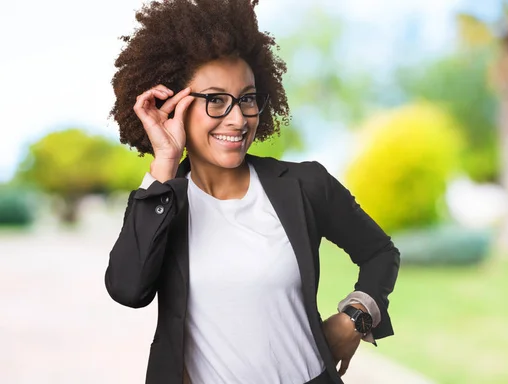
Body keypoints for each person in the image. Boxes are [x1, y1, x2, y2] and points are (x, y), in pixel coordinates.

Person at [104, 1, 400, 383]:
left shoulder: (304, 185)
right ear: (173, 105)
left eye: (246, 98)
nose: (238, 118)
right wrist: (164, 161)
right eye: (215, 100)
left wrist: (355, 318)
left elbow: (379, 252)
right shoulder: (164, 202)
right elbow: (128, 289)